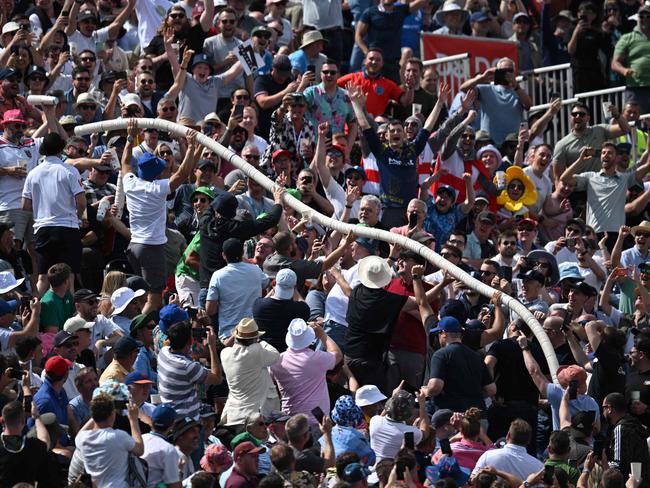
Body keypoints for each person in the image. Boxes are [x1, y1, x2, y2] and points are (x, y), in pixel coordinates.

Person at [121, 119, 199, 313]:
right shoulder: (158, 188)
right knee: (154, 298)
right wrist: (190, 147)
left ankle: (140, 328)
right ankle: (135, 331)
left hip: (134, 246)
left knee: (143, 295)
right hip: (151, 248)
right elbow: (182, 174)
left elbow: (124, 162)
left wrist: (130, 137)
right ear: (157, 172)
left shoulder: (130, 182)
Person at [270, 319, 341, 424]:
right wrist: (322, 334)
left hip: (290, 420)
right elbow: (337, 355)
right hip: (317, 420)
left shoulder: (277, 361)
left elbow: (272, 382)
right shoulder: (316, 358)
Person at [427, 316, 497, 411]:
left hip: (451, 419)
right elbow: (491, 389)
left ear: (443, 334)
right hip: (477, 417)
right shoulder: (476, 356)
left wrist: (426, 391)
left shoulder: (440, 355)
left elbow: (435, 387)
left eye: (437, 334)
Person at [220, 318, 280, 427]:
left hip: (234, 414)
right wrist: (261, 342)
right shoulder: (256, 351)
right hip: (256, 417)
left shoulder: (225, 354)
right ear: (255, 338)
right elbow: (275, 355)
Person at [75, 392, 144, 487]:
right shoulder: (119, 436)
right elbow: (140, 450)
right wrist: (133, 420)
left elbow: (80, 433)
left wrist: (96, 412)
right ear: (113, 414)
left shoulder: (82, 438)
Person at [157, 320, 222, 420]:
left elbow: (185, 353)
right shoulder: (188, 367)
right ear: (190, 341)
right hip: (187, 422)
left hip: (170, 415)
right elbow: (217, 378)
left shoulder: (163, 352)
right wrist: (212, 346)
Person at [459, 58, 532, 146]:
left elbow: (528, 105)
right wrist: (481, 78)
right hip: (489, 145)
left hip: (511, 146)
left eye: (510, 70)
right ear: (497, 72)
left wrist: (516, 86)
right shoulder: (486, 89)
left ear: (514, 72)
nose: (507, 73)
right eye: (503, 71)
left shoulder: (519, 92)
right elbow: (463, 88)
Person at [252, 268, 310, 353]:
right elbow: (305, 306)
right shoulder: (301, 309)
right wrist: (295, 290)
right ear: (294, 286)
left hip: (265, 353)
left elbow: (263, 302)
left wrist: (273, 290)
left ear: (275, 283)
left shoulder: (258, 305)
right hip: (289, 355)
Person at [471, 419, 544, 480]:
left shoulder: (487, 456)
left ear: (508, 435)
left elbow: (473, 480)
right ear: (529, 441)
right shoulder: (538, 467)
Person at [602, 392, 650, 482]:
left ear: (609, 408)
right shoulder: (636, 424)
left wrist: (603, 462)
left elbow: (618, 464)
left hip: (627, 482)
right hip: (641, 480)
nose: (602, 412)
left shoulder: (620, 428)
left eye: (603, 408)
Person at [142, 403, 182, 488]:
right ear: (172, 425)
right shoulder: (168, 449)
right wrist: (179, 471)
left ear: (151, 421)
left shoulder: (139, 439)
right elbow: (174, 486)